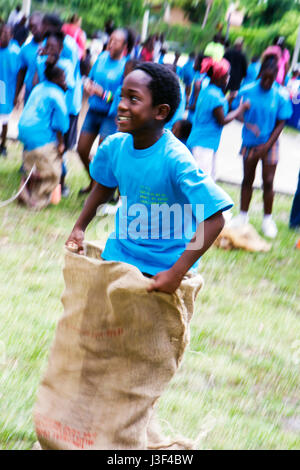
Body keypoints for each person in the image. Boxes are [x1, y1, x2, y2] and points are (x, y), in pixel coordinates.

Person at [66, 63, 233, 295]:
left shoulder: (176, 160)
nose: (121, 105)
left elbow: (215, 218)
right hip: (121, 252)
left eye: (133, 99)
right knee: (105, 323)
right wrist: (79, 227)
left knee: (151, 330)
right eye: (122, 96)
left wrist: (176, 272)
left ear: (161, 112)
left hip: (165, 266)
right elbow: (103, 187)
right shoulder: (114, 147)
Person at [230, 54, 293, 238]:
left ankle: (267, 220)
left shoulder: (280, 94)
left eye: (270, 79)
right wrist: (244, 118)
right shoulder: (247, 90)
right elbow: (236, 111)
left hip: (270, 143)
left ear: (275, 78)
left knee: (268, 181)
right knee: (247, 179)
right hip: (250, 142)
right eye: (264, 77)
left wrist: (266, 146)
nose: (266, 82)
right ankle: (242, 217)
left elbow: (281, 123)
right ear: (260, 74)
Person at [77, 28, 134, 194]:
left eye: (116, 41)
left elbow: (122, 96)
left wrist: (103, 94)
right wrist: (87, 84)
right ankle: (94, 182)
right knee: (82, 149)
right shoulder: (101, 58)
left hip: (110, 116)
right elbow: (90, 78)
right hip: (93, 111)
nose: (111, 43)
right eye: (110, 39)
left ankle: (99, 192)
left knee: (103, 157)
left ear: (124, 46)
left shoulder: (126, 66)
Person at [186, 57, 250, 180]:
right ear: (220, 77)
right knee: (202, 183)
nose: (228, 77)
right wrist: (241, 108)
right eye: (227, 75)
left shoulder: (208, 91)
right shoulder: (216, 97)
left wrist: (229, 99)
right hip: (204, 145)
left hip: (200, 141)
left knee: (206, 179)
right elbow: (222, 120)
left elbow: (215, 110)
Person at [18, 63, 69, 209]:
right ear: (56, 79)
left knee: (34, 164)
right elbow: (60, 124)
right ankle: (35, 199)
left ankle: (26, 188)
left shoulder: (39, 87)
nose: (65, 82)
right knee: (53, 172)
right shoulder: (57, 95)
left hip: (25, 131)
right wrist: (61, 144)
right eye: (63, 78)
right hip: (40, 135)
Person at [14, 12, 44, 106]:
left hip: (46, 95)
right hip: (30, 94)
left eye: (35, 26)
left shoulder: (51, 45)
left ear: (43, 24)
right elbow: (21, 72)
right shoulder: (25, 49)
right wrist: (16, 95)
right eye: (30, 27)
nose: (33, 30)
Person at [0, 24, 20, 157]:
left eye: (7, 34)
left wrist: (17, 95)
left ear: (11, 36)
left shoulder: (15, 52)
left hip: (6, 89)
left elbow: (20, 74)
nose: (3, 36)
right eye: (1, 33)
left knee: (5, 119)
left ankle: (3, 145)